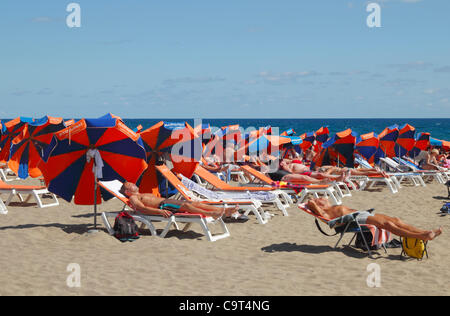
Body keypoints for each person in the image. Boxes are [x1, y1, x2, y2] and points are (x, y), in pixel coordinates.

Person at [306, 197, 442, 241]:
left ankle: (425, 232)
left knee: (396, 220)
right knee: (388, 224)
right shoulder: (326, 213)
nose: (323, 198)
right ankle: (421, 236)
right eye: (320, 199)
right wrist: (312, 203)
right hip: (354, 220)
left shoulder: (333, 206)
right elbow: (327, 220)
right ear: (319, 205)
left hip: (362, 214)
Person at [120, 182, 238, 219]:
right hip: (163, 206)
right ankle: (211, 214)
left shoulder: (140, 194)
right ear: (127, 192)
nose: (132, 183)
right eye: (129, 184)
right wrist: (159, 212)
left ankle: (223, 210)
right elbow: (142, 208)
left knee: (195, 203)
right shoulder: (133, 197)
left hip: (166, 202)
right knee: (186, 206)